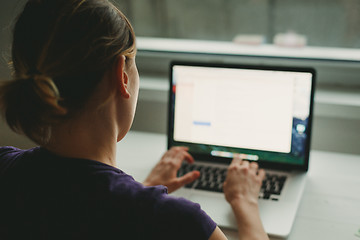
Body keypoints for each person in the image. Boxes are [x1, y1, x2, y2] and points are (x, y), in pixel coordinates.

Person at [0, 0, 269, 239]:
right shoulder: (178, 223)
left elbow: (80, 209)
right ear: (123, 76)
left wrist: (141, 191)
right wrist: (245, 203)